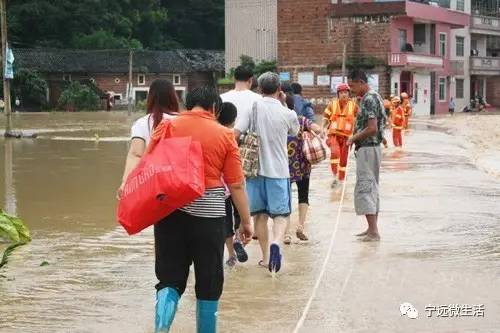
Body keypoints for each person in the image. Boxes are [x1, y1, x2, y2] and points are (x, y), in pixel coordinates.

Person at [148, 87, 253, 332]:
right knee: (209, 280)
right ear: (214, 108)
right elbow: (236, 184)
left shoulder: (165, 127)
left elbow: (150, 168)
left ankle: (160, 329)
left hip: (168, 212)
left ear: (187, 105)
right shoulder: (224, 135)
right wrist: (245, 221)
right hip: (210, 217)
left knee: (169, 279)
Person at [235, 72, 299, 272]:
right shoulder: (288, 113)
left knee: (259, 216)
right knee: (281, 215)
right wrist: (285, 104)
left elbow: (236, 133)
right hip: (279, 172)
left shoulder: (253, 108)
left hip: (254, 172)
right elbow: (295, 132)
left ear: (260, 89)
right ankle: (277, 243)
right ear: (280, 90)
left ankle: (264, 258)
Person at [118, 79, 180, 196]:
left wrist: (125, 183)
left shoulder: (141, 123)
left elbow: (136, 154)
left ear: (150, 98)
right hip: (179, 182)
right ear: (173, 97)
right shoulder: (184, 120)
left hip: (151, 185)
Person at [347, 69, 385, 242]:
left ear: (361, 82)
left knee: (366, 186)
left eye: (353, 86)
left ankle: (373, 232)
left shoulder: (369, 99)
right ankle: (371, 228)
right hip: (373, 148)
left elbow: (372, 128)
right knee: (372, 187)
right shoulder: (375, 96)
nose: (351, 90)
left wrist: (352, 139)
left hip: (368, 149)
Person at [285, 93, 322, 244]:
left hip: (283, 167)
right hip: (303, 165)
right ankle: (300, 226)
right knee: (303, 195)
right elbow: (318, 129)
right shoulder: (301, 120)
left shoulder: (278, 120)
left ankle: (286, 233)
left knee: (285, 199)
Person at [217, 101, 249, 267]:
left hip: (218, 188)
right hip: (234, 184)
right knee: (238, 216)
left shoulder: (214, 134)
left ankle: (231, 255)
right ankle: (239, 238)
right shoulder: (235, 136)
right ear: (234, 119)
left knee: (225, 222)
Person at [323, 83, 358, 187]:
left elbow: (360, 120)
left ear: (349, 94)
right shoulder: (332, 104)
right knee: (335, 152)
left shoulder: (354, 106)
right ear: (338, 94)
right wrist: (322, 129)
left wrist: (356, 135)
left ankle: (341, 180)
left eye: (346, 92)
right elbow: (325, 118)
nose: (344, 95)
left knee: (343, 160)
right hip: (333, 135)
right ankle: (334, 175)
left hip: (347, 138)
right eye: (342, 93)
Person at [220, 65, 262, 140]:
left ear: (234, 79)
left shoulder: (221, 98)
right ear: (250, 80)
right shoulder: (258, 99)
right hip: (249, 145)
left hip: (224, 140)